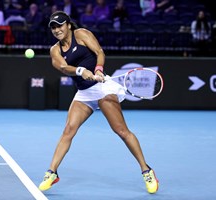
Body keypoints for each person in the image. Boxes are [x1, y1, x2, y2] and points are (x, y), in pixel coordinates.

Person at [38, 11, 159, 194]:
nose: (57, 30)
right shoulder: (54, 50)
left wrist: (99, 69)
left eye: (60, 25)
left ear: (68, 25)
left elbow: (99, 52)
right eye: (53, 27)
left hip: (103, 89)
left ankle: (147, 170)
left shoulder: (82, 34)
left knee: (121, 131)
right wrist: (80, 71)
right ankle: (52, 172)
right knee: (68, 130)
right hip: (84, 92)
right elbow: (63, 67)